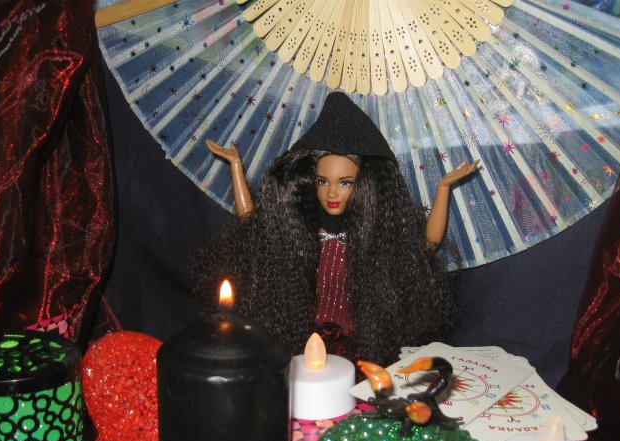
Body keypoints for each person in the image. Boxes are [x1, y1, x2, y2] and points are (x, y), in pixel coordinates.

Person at [192, 92, 478, 364]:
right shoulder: (302, 230)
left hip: (358, 340)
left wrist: (443, 188)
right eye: (322, 181)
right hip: (304, 337)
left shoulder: (372, 238)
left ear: (364, 185)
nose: (332, 192)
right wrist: (236, 167)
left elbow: (427, 244)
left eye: (345, 183)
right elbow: (253, 225)